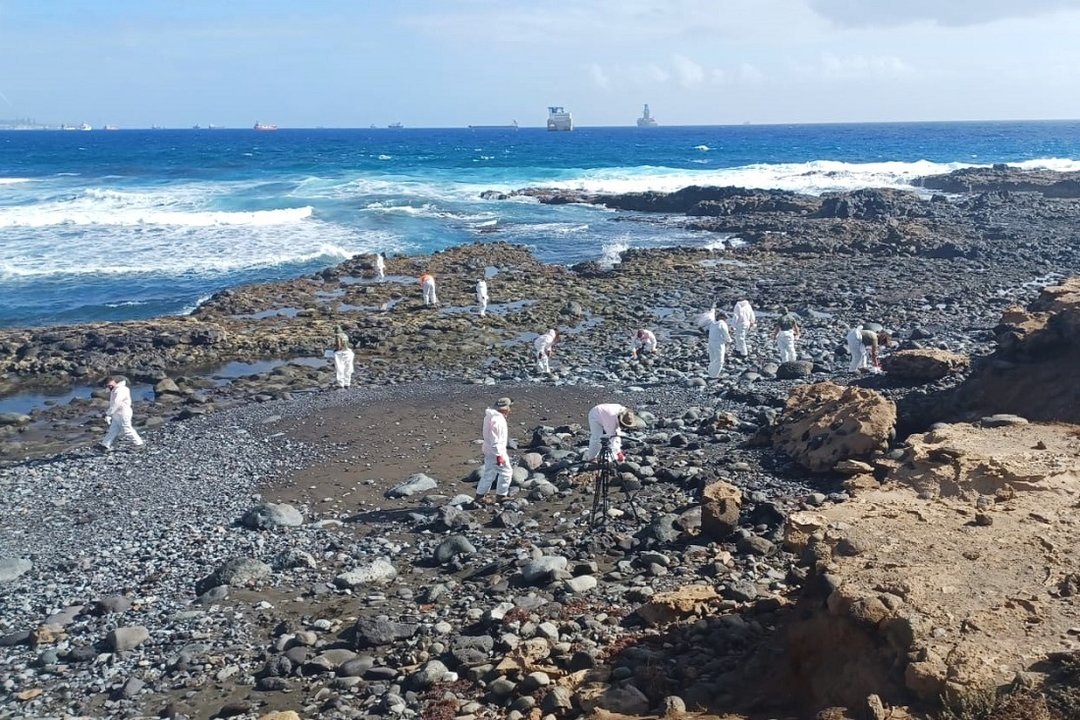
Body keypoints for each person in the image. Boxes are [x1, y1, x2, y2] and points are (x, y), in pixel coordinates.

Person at [477, 397, 513, 502]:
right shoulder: (498, 420)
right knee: (506, 472)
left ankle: (480, 495)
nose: (510, 410)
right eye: (509, 407)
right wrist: (499, 455)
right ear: (505, 409)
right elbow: (495, 439)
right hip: (496, 451)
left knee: (490, 472)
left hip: (489, 449)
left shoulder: (489, 417)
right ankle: (501, 495)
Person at [98, 376, 144, 452]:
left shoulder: (121, 390)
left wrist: (108, 413)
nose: (109, 386)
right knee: (113, 430)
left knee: (127, 429)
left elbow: (116, 403)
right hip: (117, 413)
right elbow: (109, 393)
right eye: (108, 385)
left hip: (123, 412)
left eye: (109, 384)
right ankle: (105, 445)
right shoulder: (115, 389)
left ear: (115, 381)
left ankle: (139, 444)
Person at [706, 313, 732, 378]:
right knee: (720, 360)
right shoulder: (722, 324)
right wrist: (729, 340)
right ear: (722, 317)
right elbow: (725, 333)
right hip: (719, 343)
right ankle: (714, 375)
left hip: (711, 341)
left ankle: (710, 372)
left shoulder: (712, 323)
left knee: (712, 359)